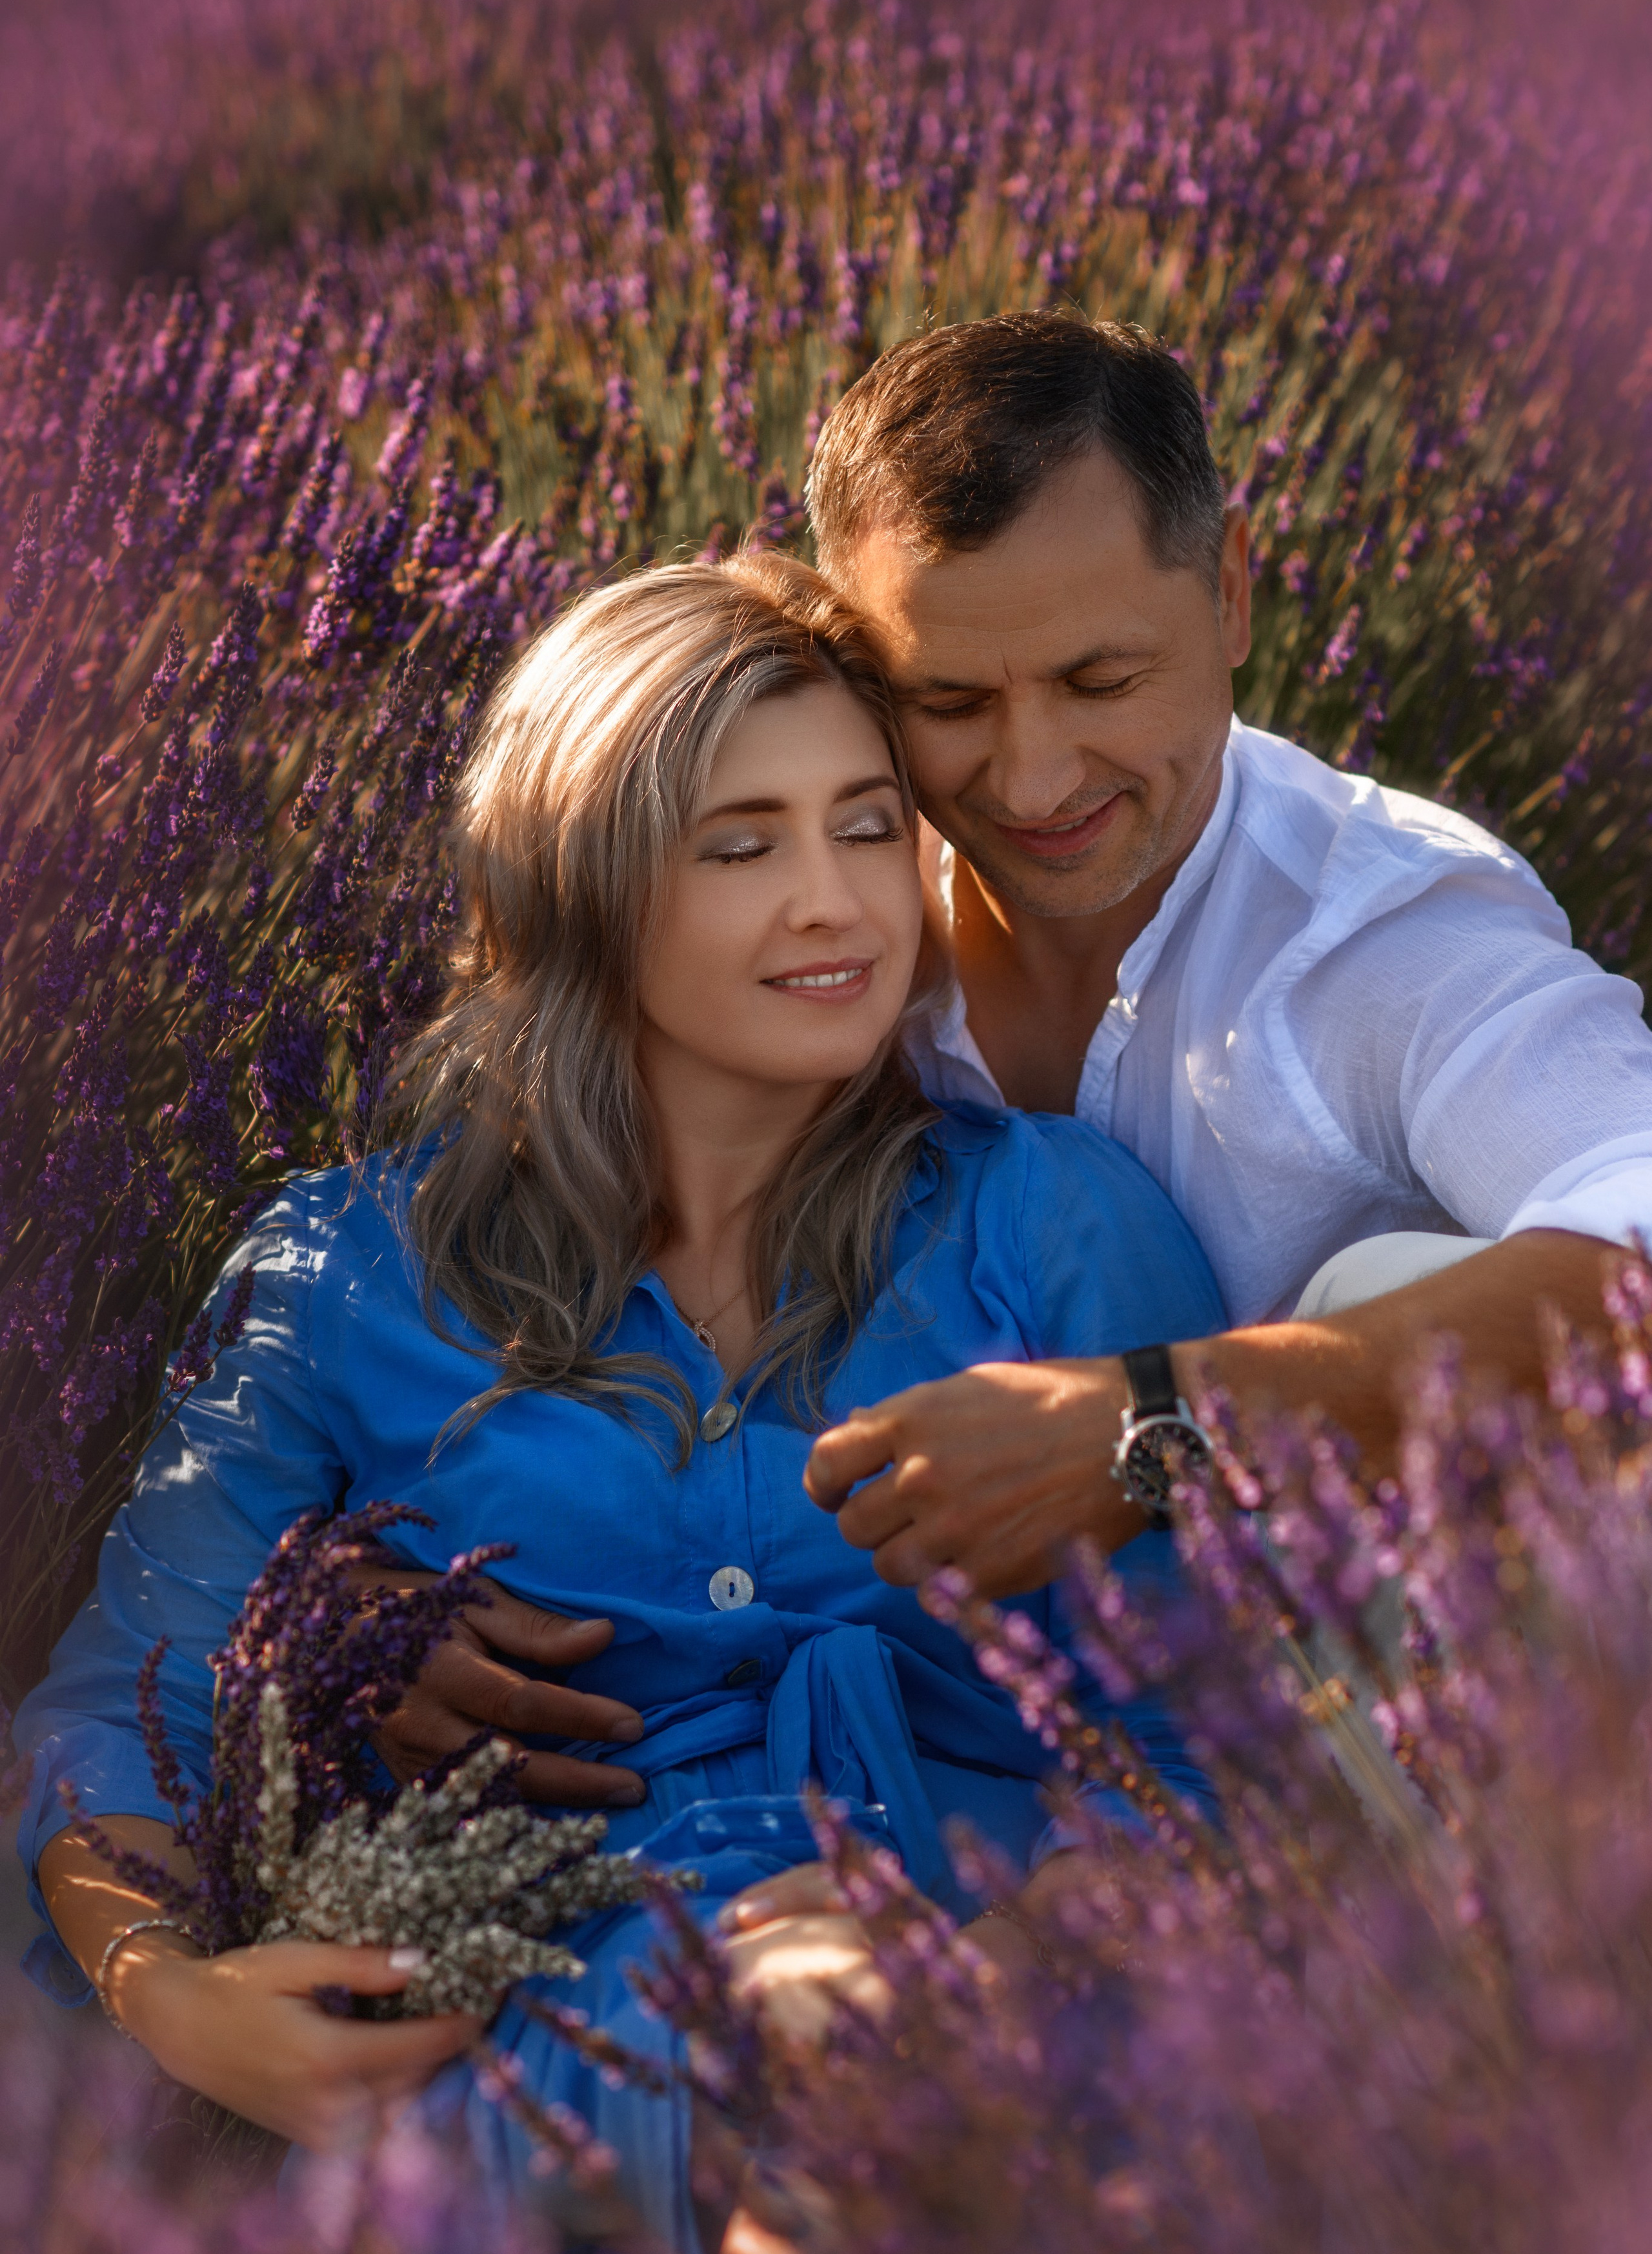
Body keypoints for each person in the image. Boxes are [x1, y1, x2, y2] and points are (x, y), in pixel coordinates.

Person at [15, 553, 1224, 2254]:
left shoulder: (1053, 1220)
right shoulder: (341, 1273)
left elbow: (1207, 1726)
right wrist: (175, 1992)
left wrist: (972, 1999)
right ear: (578, 889)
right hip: (551, 2032)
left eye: (867, 826)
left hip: (1025, 1984)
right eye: (741, 846)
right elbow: (119, 1712)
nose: (834, 901)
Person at [389, 311, 1652, 1795]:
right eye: (948, 702)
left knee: (1393, 1295)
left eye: (1099, 681)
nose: (1033, 777)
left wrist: (1161, 1416)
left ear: (1230, 591)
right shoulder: (820, 931)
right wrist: (358, 1595)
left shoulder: (1384, 939)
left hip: (1412, 1726)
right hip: (926, 1752)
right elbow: (526, 1274)